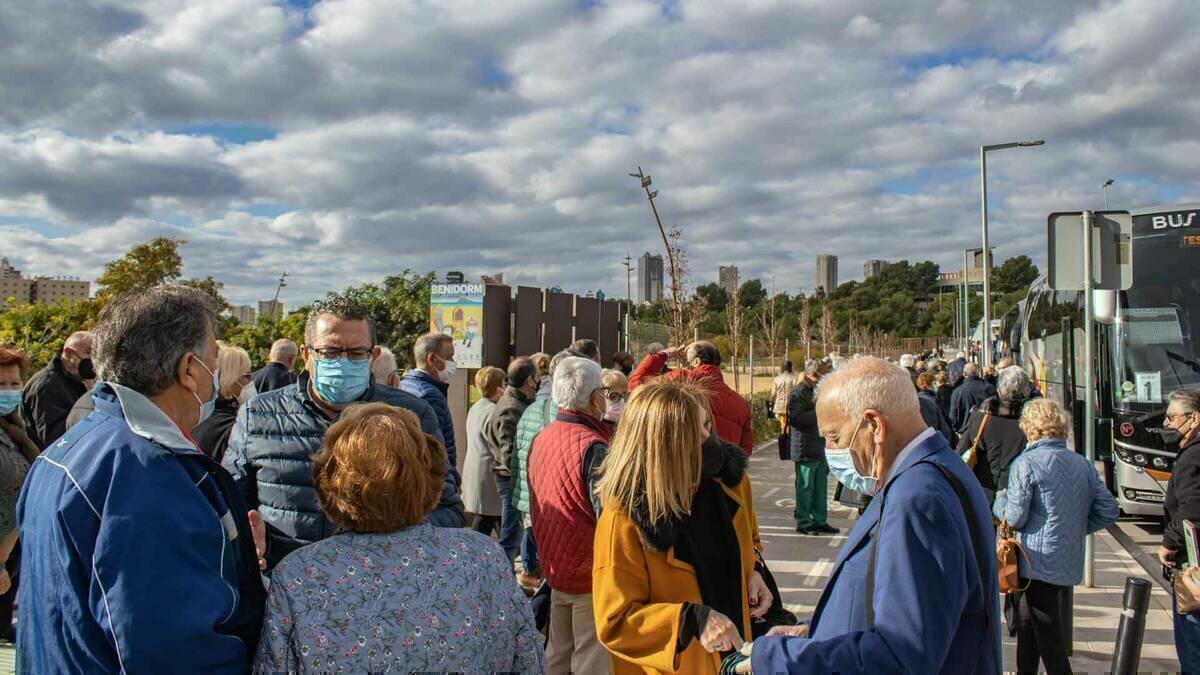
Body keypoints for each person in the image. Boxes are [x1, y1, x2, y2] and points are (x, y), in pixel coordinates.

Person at [17, 286, 267, 672]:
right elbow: (169, 649)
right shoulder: (148, 475)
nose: (216, 376)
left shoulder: (67, 450)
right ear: (188, 370)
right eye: (213, 360)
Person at [744, 357, 1000, 674]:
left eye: (834, 437)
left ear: (874, 426)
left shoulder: (917, 499)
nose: (831, 450)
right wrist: (815, 633)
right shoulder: (935, 471)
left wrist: (776, 657)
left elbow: (900, 656)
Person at [253, 403, 544, 673]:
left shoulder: (298, 575)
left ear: (328, 481)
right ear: (428, 475)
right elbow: (529, 661)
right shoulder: (482, 557)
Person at [224, 295, 464, 571]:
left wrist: (382, 538)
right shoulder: (259, 414)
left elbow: (449, 510)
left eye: (356, 353)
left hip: (381, 587)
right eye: (331, 352)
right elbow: (230, 503)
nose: (343, 362)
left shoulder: (411, 415)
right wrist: (254, 540)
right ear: (307, 355)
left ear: (373, 356)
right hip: (285, 584)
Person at [593, 380, 770, 674]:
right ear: (666, 446)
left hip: (739, 661)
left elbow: (751, 540)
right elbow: (615, 621)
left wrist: (756, 574)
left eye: (707, 425)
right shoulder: (623, 519)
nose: (710, 438)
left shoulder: (730, 484)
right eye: (698, 432)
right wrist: (690, 620)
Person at [994, 398, 1117, 675]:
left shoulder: (1026, 463)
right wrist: (1073, 528)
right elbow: (1109, 510)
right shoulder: (1082, 464)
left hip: (1036, 560)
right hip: (1066, 557)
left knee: (1048, 634)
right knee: (1028, 624)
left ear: (1030, 428)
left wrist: (999, 503)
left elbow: (1015, 517)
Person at [527, 356, 614, 673]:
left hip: (554, 566)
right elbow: (609, 518)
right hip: (590, 573)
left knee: (557, 655)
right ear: (594, 398)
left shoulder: (541, 438)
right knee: (591, 660)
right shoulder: (594, 447)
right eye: (604, 391)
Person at [513, 350, 579, 587]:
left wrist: (517, 494)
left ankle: (531, 579)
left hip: (529, 492)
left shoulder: (531, 409)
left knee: (534, 543)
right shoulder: (566, 415)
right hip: (552, 498)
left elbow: (516, 456)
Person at [630, 342, 754, 455]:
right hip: (721, 474)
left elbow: (635, 383)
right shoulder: (741, 404)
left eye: (686, 353)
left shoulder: (680, 379)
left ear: (696, 361)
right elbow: (745, 450)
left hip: (682, 470)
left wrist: (666, 354)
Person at [1159, 388, 1200, 672]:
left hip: (1192, 565)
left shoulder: (1191, 457)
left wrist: (1169, 543)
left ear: (1194, 418)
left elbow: (1191, 508)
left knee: (1191, 639)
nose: (1166, 424)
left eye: (1172, 417)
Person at [484, 356, 538, 562]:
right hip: (512, 481)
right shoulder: (511, 408)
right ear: (529, 380)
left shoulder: (518, 402)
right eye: (537, 377)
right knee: (510, 535)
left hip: (517, 480)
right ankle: (504, 579)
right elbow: (509, 453)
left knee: (523, 531)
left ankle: (527, 568)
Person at [0, 345, 37, 639]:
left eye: (14, 383)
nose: (9, 391)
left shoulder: (15, 429)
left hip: (9, 564)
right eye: (0, 385)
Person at [957, 366, 1033, 507]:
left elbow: (961, 449)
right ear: (1027, 392)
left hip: (983, 490)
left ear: (999, 390)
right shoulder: (1031, 422)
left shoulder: (981, 415)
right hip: (1017, 493)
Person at [400, 333, 461, 483]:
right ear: (432, 359)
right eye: (449, 357)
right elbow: (436, 453)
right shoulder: (430, 396)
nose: (453, 362)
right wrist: (451, 484)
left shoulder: (405, 385)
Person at [788, 359, 837, 535]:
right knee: (805, 486)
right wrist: (819, 411)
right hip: (805, 446)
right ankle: (804, 522)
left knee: (820, 487)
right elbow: (795, 418)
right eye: (825, 373)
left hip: (819, 445)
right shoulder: (799, 392)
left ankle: (819, 520)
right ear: (815, 374)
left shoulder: (820, 390)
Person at [20, 330, 93, 449]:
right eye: (89, 352)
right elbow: (55, 439)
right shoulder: (46, 386)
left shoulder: (77, 381)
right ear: (69, 354)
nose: (93, 359)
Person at [193, 342, 253, 463]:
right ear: (230, 379)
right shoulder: (232, 427)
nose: (250, 382)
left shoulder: (197, 417)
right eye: (247, 375)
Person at [464, 366, 505, 536]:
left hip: (476, 471)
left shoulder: (477, 407)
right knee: (487, 522)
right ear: (498, 388)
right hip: (490, 477)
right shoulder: (494, 411)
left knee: (487, 520)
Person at [949, 362, 997, 431]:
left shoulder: (957, 391)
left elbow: (953, 416)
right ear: (978, 373)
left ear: (964, 374)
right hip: (986, 430)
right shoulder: (988, 387)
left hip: (965, 432)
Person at [916, 372, 955, 445]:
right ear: (927, 385)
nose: (936, 385)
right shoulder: (933, 400)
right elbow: (943, 425)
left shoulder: (917, 400)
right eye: (934, 383)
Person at [771, 361, 798, 433]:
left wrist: (771, 400)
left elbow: (773, 393)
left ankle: (784, 434)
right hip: (790, 405)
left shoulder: (777, 378)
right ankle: (787, 436)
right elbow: (796, 391)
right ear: (790, 368)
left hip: (779, 405)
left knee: (783, 422)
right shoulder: (794, 378)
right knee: (789, 423)